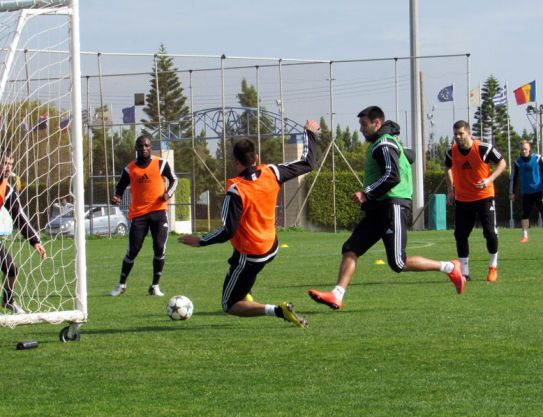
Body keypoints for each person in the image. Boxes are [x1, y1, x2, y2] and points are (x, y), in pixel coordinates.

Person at [308, 106, 464, 311]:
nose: (361, 130)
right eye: (360, 125)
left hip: (393, 206)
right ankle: (337, 295)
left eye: (364, 125)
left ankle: (450, 267)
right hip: (378, 207)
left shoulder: (384, 144)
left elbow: (392, 175)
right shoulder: (385, 143)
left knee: (398, 263)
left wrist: (366, 193)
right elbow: (411, 155)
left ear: (377, 123)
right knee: (351, 248)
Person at [179, 120, 320, 328]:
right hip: (271, 246)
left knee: (229, 304)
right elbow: (308, 163)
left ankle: (277, 310)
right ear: (257, 158)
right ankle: (247, 290)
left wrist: (201, 241)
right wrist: (309, 133)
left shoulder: (236, 189)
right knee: (239, 267)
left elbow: (228, 230)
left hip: (252, 254)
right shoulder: (272, 172)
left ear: (236, 163)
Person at [110, 135, 178, 297]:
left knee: (160, 248)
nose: (144, 148)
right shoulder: (130, 168)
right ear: (136, 148)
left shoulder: (161, 163)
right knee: (133, 250)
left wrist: (168, 194)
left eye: (147, 145)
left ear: (151, 147)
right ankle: (121, 285)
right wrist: (117, 198)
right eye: (141, 146)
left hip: (159, 213)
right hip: (139, 215)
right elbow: (120, 188)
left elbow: (174, 180)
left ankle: (155, 286)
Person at [444, 120, 506, 282]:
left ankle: (493, 266)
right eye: (455, 134)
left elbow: (502, 162)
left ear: (469, 133)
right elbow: (447, 167)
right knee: (460, 234)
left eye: (461, 134)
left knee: (490, 233)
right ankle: (464, 272)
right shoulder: (452, 151)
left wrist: (489, 179)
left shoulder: (483, 148)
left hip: (484, 197)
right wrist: (451, 189)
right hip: (463, 199)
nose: (458, 137)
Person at [0, 147, 47, 314]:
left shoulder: (6, 190)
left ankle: (8, 299)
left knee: (11, 268)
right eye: (5, 163)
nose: (8, 168)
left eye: (10, 164)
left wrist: (35, 241)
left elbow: (20, 217)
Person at [509, 140, 543, 243]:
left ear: (529, 149)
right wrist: (511, 192)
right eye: (522, 149)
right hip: (526, 193)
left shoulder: (538, 159)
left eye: (526, 149)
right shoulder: (517, 162)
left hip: (539, 191)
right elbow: (513, 178)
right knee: (525, 215)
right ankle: (525, 236)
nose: (524, 151)